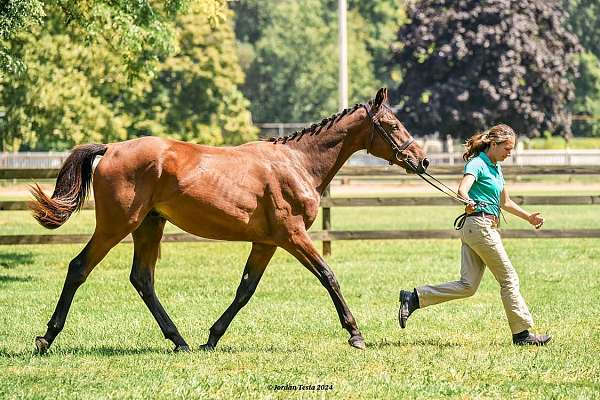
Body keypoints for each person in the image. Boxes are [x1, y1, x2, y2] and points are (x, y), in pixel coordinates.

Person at [398, 124, 551, 346]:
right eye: (507, 148)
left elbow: (505, 202)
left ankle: (414, 298)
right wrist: (467, 201)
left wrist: (529, 217)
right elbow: (463, 189)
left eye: (512, 149)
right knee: (509, 278)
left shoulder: (496, 168)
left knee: (468, 286)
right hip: (479, 226)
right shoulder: (478, 163)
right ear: (494, 144)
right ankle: (522, 334)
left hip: (477, 228)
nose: (510, 152)